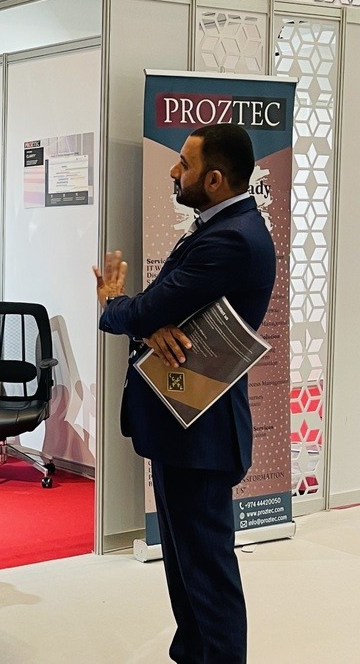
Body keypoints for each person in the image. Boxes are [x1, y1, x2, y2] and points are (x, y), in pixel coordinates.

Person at [93, 123, 276, 664]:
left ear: (214, 180)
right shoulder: (220, 227)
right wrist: (149, 322)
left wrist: (116, 305)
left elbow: (148, 307)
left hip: (201, 430)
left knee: (207, 573)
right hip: (183, 422)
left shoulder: (230, 239)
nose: (174, 172)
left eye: (185, 164)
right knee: (186, 566)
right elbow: (160, 311)